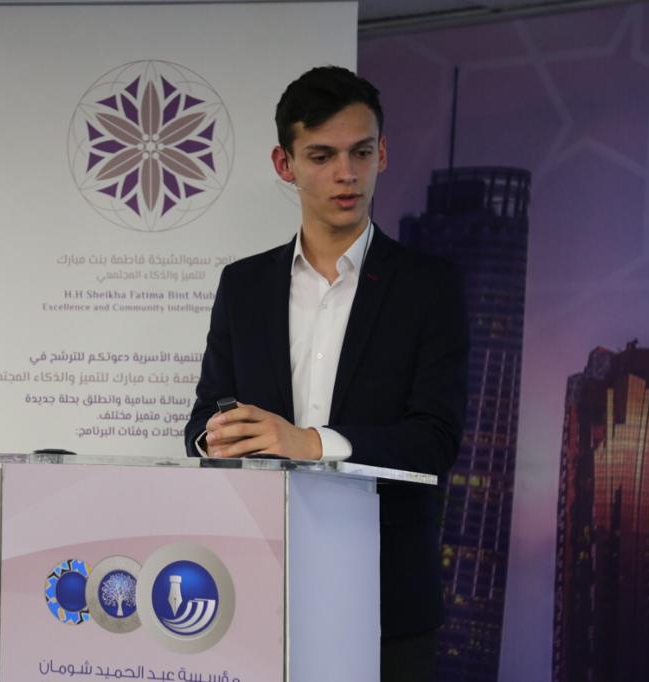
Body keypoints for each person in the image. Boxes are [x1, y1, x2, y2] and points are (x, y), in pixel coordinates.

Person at [184, 65, 468, 682]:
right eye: (321, 155)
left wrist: (310, 444)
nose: (347, 173)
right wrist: (218, 437)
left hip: (387, 596)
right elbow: (202, 419)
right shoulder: (243, 284)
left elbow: (436, 439)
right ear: (284, 164)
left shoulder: (430, 287)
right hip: (254, 588)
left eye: (361, 152)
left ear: (382, 154)